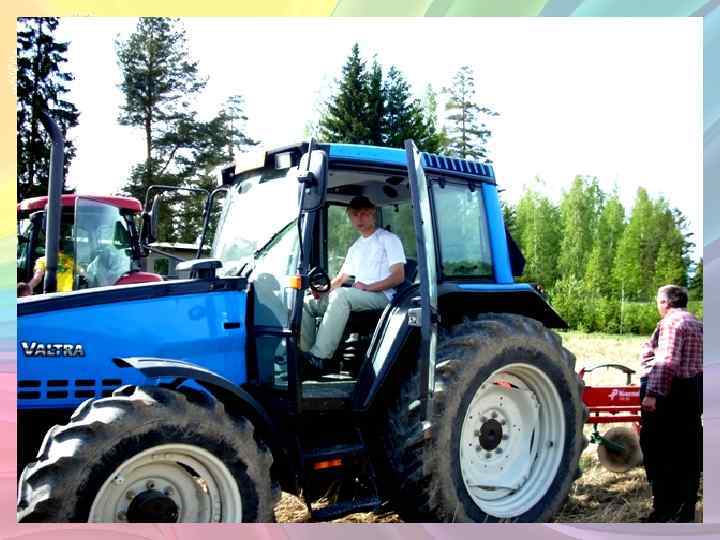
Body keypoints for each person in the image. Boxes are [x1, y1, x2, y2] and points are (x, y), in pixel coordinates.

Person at [300, 196, 406, 377]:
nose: (359, 219)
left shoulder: (388, 239)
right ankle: (306, 357)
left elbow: (398, 276)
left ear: (372, 213)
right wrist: (321, 291)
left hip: (383, 296)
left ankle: (320, 357)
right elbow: (341, 279)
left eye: (364, 214)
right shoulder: (355, 247)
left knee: (341, 296)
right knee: (305, 303)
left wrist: (369, 287)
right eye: (355, 215)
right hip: (360, 295)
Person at [639, 285, 703, 523]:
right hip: (693, 390)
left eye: (658, 301)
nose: (658, 306)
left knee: (660, 450)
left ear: (666, 303)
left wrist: (652, 393)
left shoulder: (672, 323)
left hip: (671, 394)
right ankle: (685, 511)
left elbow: (667, 361)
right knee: (688, 450)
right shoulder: (697, 323)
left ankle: (664, 511)